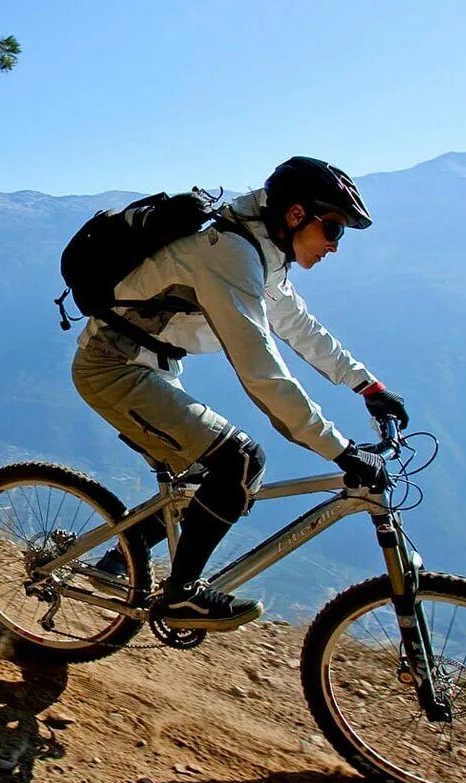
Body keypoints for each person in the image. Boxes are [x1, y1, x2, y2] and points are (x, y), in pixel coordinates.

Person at [73, 157, 407, 630]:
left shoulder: (261, 251)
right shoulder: (231, 255)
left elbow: (298, 325)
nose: (335, 245)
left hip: (150, 365)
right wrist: (341, 450)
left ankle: (118, 560)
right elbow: (262, 373)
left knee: (207, 479)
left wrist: (368, 386)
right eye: (333, 229)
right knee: (239, 462)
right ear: (296, 215)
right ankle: (182, 598)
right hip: (113, 367)